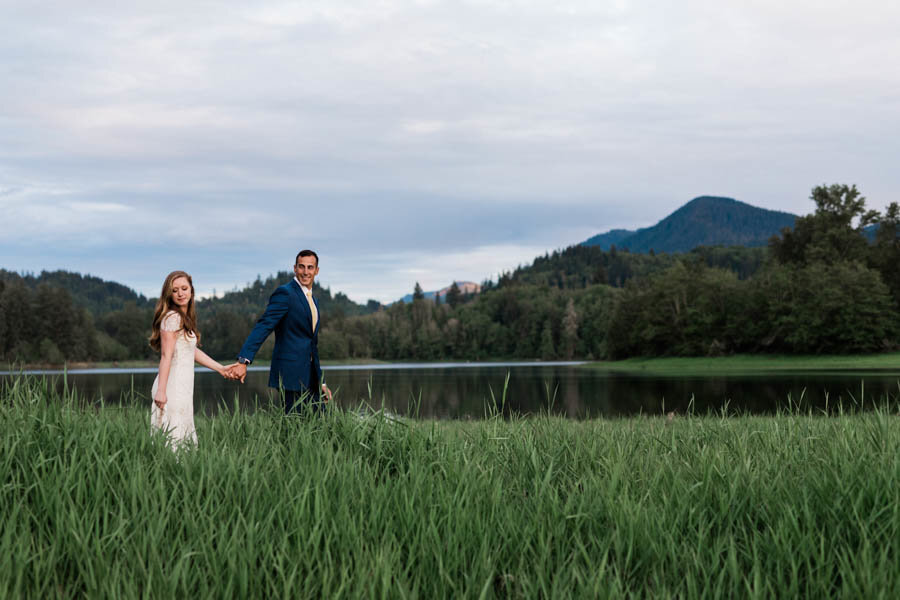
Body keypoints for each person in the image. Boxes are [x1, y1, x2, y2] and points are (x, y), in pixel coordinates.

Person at [225, 250, 333, 413]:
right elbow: (264, 326)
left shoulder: (313, 300)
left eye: (310, 267)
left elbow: (312, 345)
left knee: (321, 424)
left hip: (310, 377)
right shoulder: (285, 293)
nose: (305, 272)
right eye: (301, 267)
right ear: (295, 269)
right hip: (290, 375)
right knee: (295, 427)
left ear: (316, 270)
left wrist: (321, 382)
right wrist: (243, 360)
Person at [149, 270, 231, 449]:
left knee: (182, 436)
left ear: (191, 291)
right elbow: (166, 356)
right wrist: (161, 391)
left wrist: (221, 369)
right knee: (173, 438)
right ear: (169, 294)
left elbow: (190, 352)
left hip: (183, 385)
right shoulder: (172, 318)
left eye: (184, 288)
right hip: (172, 385)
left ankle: (181, 473)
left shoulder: (184, 318)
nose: (180, 294)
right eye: (175, 290)